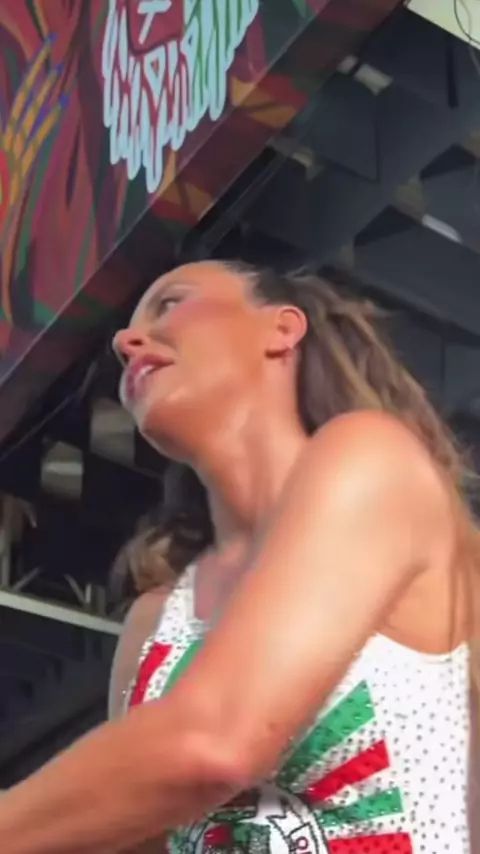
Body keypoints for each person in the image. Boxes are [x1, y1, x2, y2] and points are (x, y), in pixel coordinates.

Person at [0, 259, 477, 854]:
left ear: (282, 329)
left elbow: (213, 743)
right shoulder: (154, 623)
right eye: (126, 334)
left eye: (170, 303)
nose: (125, 341)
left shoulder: (372, 459)